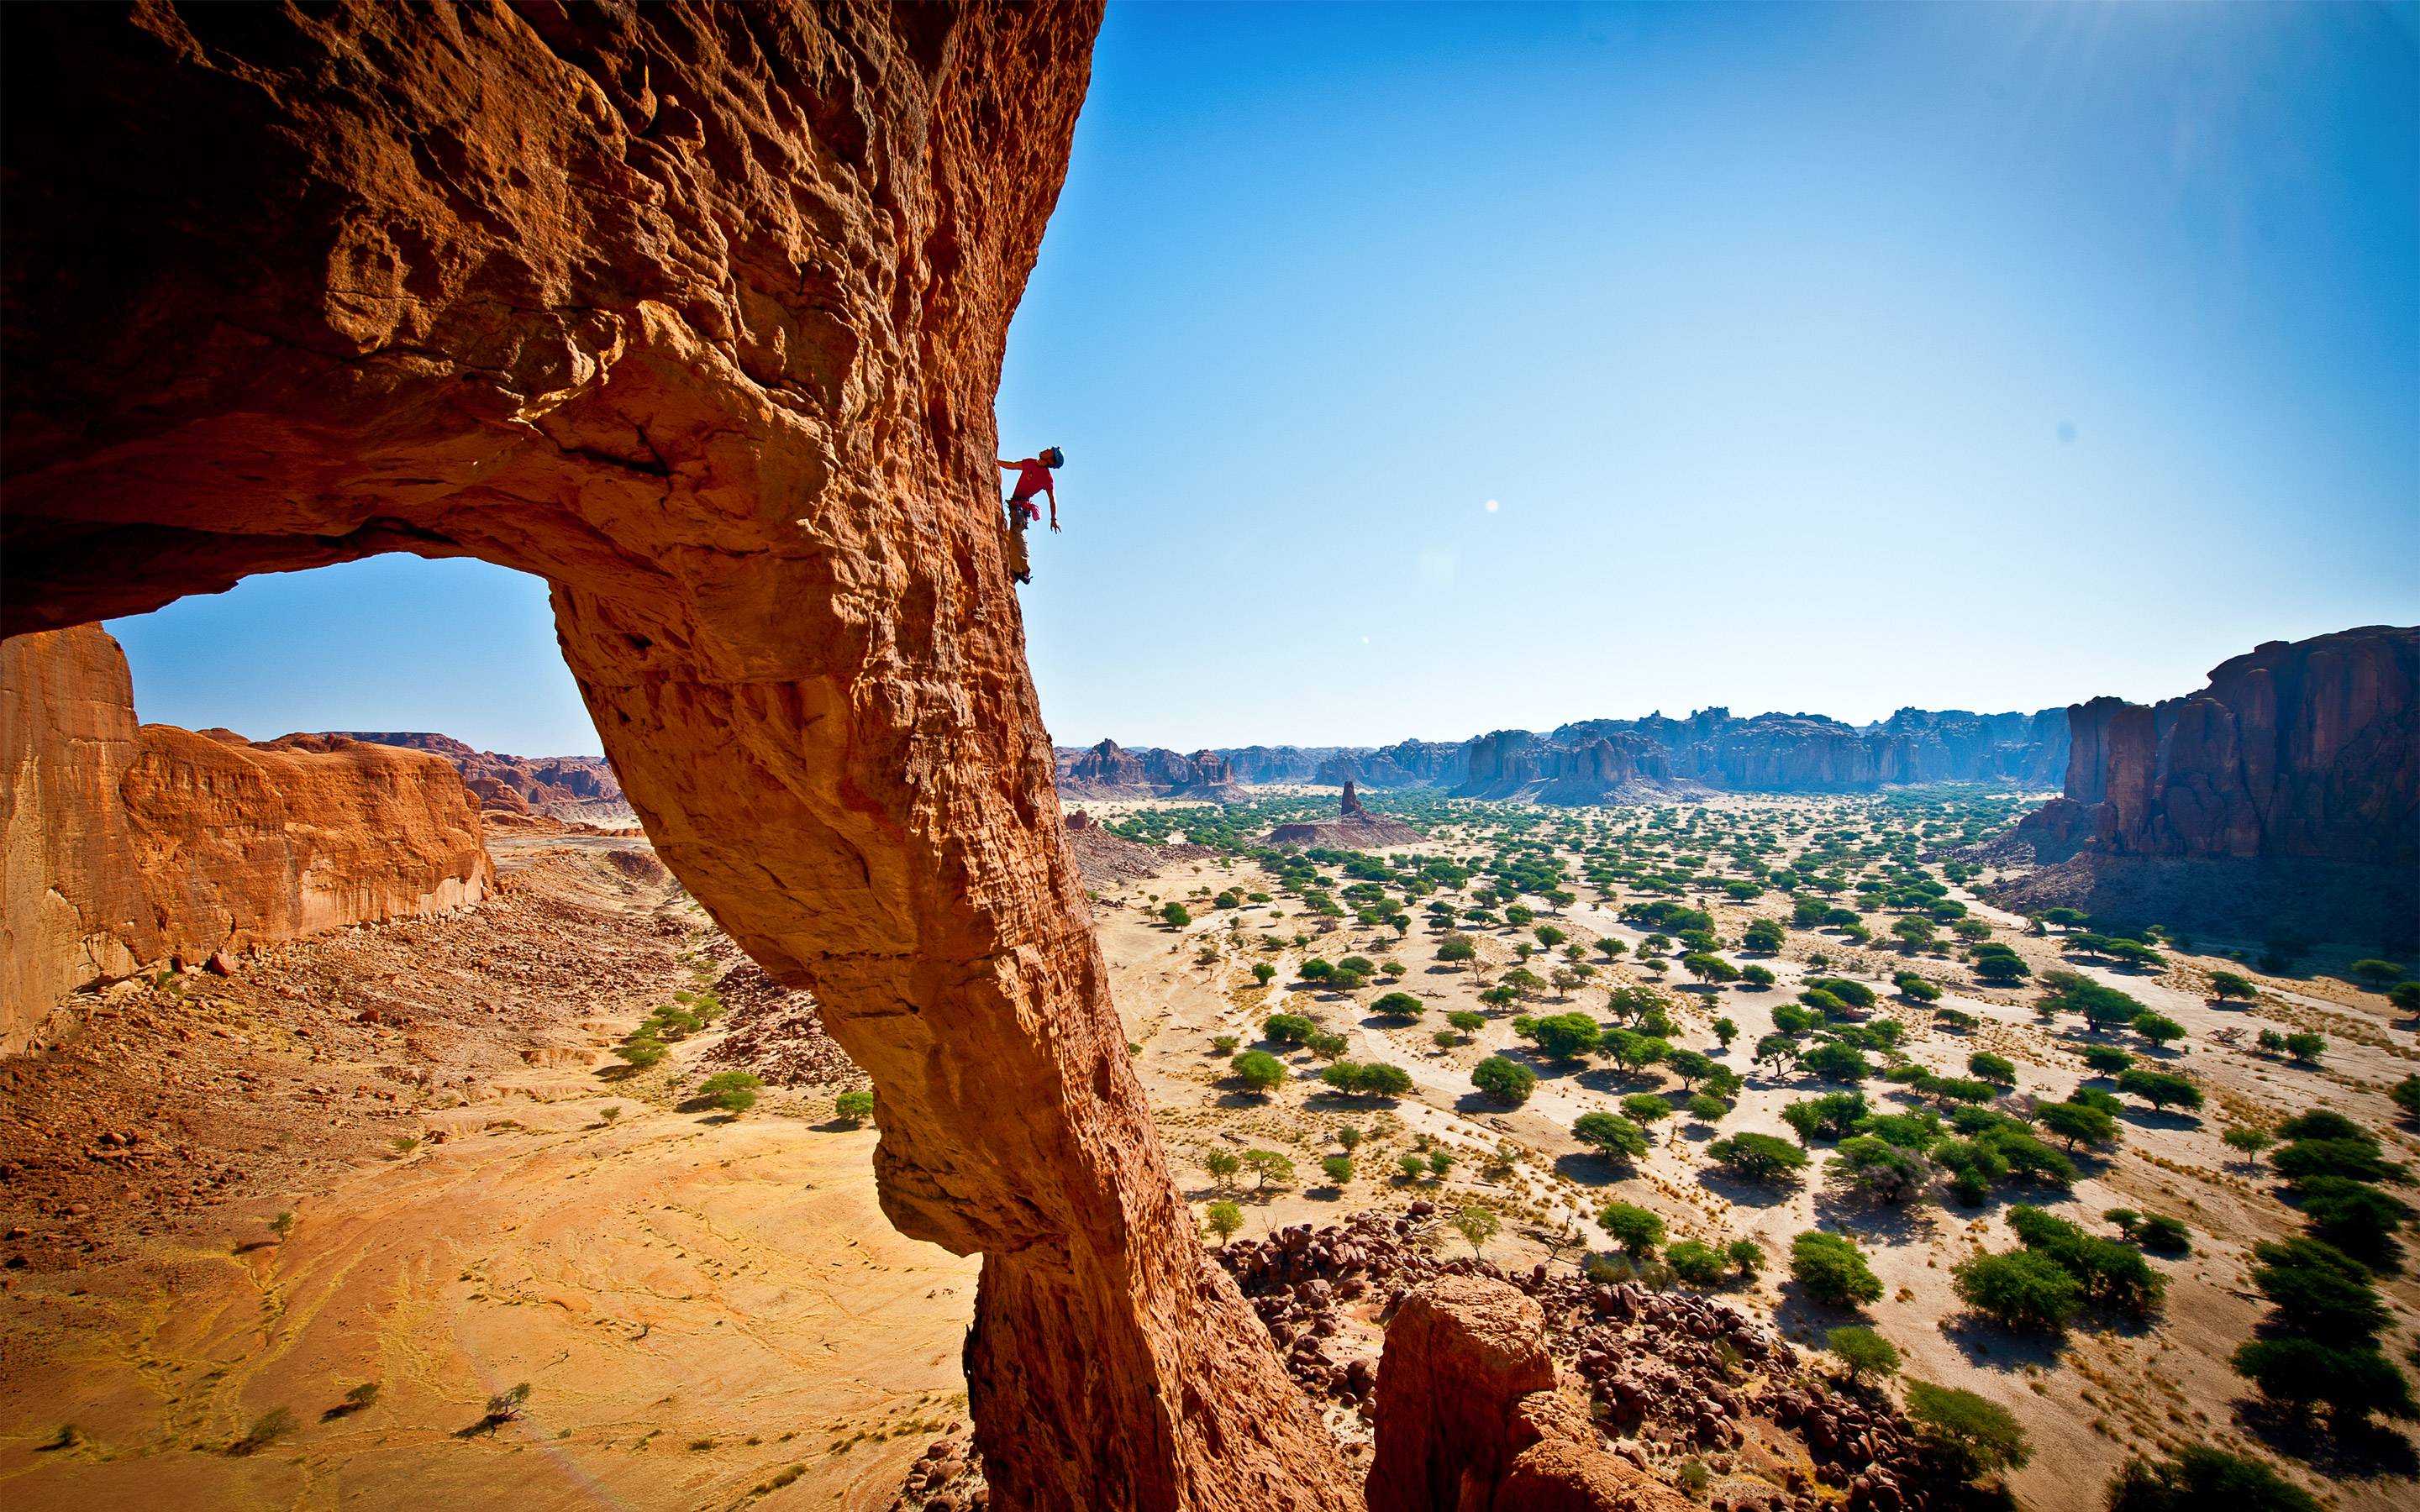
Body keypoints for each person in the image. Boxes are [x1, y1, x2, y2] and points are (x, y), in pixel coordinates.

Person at [996, 447, 1063, 585]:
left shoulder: (1047, 477)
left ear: (1051, 460)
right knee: (1013, 535)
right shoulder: (1030, 462)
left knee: (1018, 533)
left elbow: (1052, 498)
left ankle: (1025, 569)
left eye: (1051, 450)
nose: (1047, 449)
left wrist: (1054, 518)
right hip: (1016, 505)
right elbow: (1013, 465)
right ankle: (1016, 569)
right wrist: (995, 461)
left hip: (1022, 506)